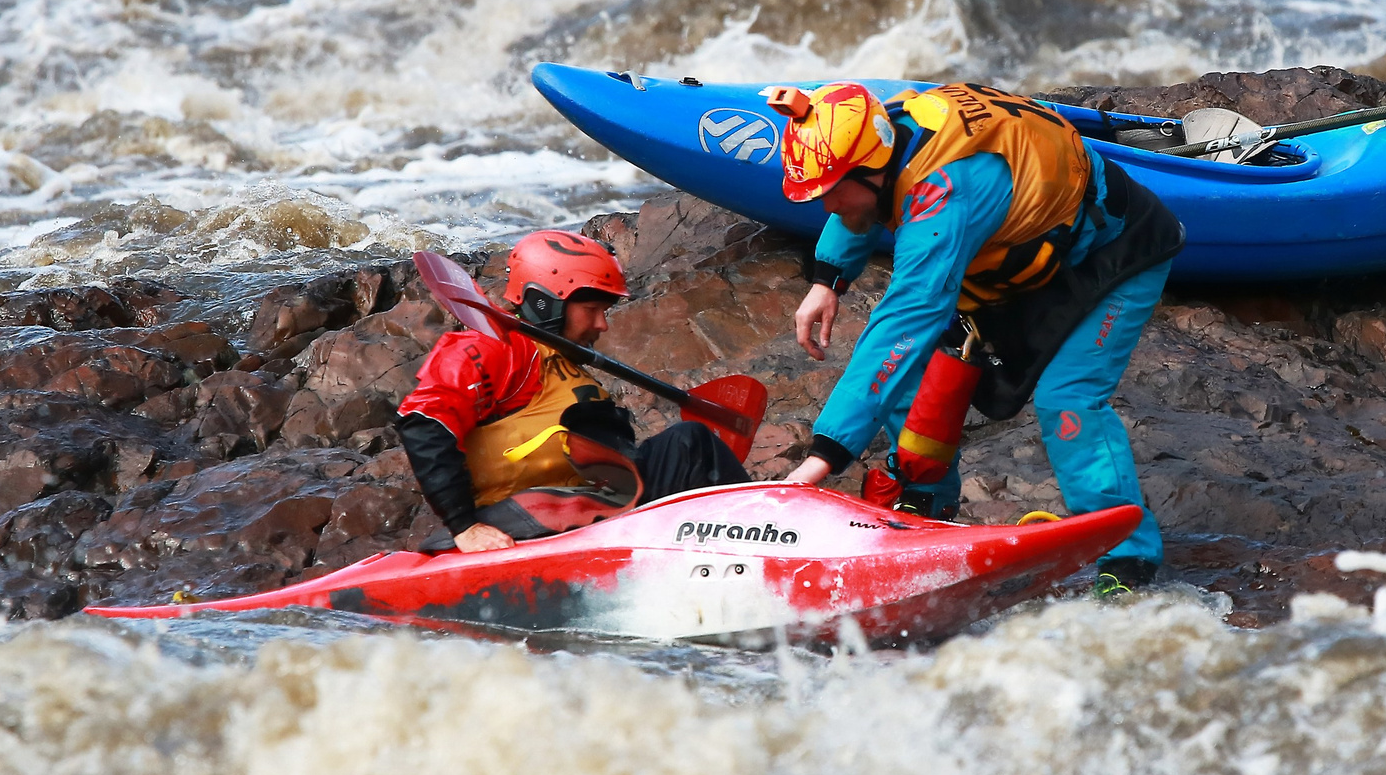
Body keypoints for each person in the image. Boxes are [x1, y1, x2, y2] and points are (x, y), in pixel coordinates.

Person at [768, 81, 1183, 594]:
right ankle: (925, 507)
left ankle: (1128, 567)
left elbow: (907, 317)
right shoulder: (887, 129)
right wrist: (827, 279)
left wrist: (822, 458)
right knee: (917, 380)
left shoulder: (947, 192)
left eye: (827, 191)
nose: (824, 205)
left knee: (1068, 401)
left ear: (870, 168)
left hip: (1114, 252)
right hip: (1016, 258)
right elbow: (858, 206)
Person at [397, 230, 746, 551]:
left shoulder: (564, 364)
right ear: (546, 303)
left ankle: (754, 532)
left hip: (586, 503)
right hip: (522, 514)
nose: (602, 325)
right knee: (691, 441)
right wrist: (464, 527)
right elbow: (425, 424)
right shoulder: (492, 348)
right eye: (592, 310)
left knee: (688, 444)